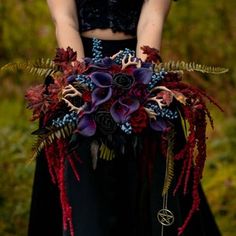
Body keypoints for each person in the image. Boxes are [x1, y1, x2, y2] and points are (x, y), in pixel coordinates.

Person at [28, 0, 222, 236]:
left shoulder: (141, 78)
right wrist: (81, 84)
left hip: (139, 67)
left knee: (146, 187)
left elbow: (153, 18)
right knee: (82, 193)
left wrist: (139, 85)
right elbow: (64, 19)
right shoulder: (77, 81)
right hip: (77, 68)